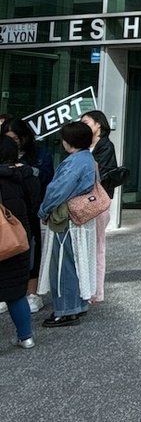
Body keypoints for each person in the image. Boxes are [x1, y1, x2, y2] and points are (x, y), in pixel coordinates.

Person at [37, 121, 99, 327]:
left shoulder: (73, 162)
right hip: (82, 216)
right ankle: (77, 306)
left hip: (67, 218)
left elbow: (58, 190)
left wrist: (43, 209)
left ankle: (65, 311)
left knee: (63, 265)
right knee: (76, 262)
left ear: (68, 141)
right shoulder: (87, 158)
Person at [0, 117, 52, 314]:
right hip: (6, 218)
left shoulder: (37, 157)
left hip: (28, 217)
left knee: (29, 253)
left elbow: (45, 180)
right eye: (8, 139)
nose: (13, 142)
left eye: (15, 138)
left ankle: (32, 293)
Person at [0, 136, 41, 348]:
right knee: (16, 293)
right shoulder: (27, 174)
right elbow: (35, 204)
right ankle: (26, 337)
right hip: (19, 239)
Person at [81, 109, 117, 303]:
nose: (83, 126)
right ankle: (85, 287)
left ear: (98, 125)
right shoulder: (84, 146)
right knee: (85, 246)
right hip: (83, 203)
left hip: (98, 202)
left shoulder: (105, 147)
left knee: (97, 246)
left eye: (86, 122)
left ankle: (96, 291)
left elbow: (99, 175)